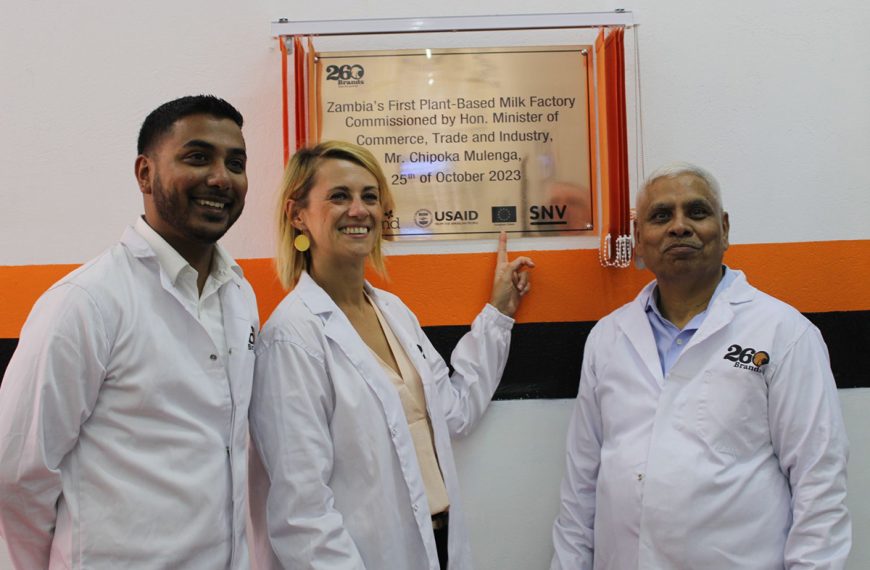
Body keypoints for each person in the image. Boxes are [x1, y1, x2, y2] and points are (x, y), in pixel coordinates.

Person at [247, 140, 534, 570]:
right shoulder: (292, 339)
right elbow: (301, 513)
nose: (359, 210)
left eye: (370, 196)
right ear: (297, 214)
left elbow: (453, 411)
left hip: (437, 544)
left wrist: (496, 317)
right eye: (339, 196)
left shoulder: (393, 312)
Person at [0, 95, 259, 569]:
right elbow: (15, 475)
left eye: (235, 162)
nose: (221, 178)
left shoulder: (239, 296)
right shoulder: (87, 302)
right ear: (145, 173)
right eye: (198, 157)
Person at [550, 162, 851, 569]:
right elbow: (581, 484)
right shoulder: (608, 338)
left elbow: (820, 483)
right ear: (639, 239)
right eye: (661, 216)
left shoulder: (784, 332)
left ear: (724, 229)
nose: (679, 226)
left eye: (697, 212)